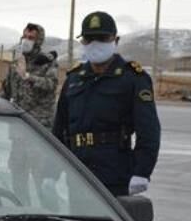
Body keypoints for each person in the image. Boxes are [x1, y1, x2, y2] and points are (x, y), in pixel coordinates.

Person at [52, 11, 161, 196]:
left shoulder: (133, 78)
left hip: (115, 171)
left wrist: (142, 171)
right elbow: (59, 128)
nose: (95, 44)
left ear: (115, 40)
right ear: (83, 42)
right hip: (78, 170)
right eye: (89, 38)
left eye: (102, 38)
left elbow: (148, 130)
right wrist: (52, 171)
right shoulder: (74, 78)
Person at [0, 23, 59, 205]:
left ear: (39, 40)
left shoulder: (48, 63)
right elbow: (5, 90)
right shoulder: (16, 63)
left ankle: (50, 212)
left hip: (39, 129)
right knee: (18, 173)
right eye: (24, 37)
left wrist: (27, 76)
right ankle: (22, 210)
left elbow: (50, 85)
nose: (26, 41)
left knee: (41, 177)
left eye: (31, 38)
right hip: (18, 131)